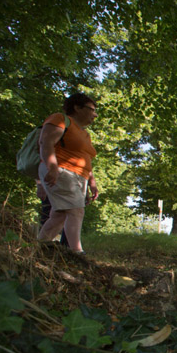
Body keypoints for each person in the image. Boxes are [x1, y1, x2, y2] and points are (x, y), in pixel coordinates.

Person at [37, 93, 99, 253]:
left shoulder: (85, 134)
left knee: (59, 215)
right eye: (91, 109)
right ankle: (77, 252)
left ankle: (38, 247)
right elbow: (46, 142)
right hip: (63, 170)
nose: (95, 114)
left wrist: (92, 182)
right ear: (77, 107)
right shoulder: (60, 119)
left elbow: (85, 158)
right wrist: (52, 167)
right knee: (76, 211)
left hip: (80, 177)